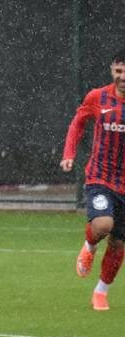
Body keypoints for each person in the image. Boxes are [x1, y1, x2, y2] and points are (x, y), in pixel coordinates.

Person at [61, 49, 125, 311]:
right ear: (112, 70)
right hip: (100, 177)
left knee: (118, 243)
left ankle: (101, 292)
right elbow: (78, 122)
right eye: (119, 71)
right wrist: (69, 154)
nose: (123, 77)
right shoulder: (98, 97)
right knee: (102, 225)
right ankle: (89, 246)